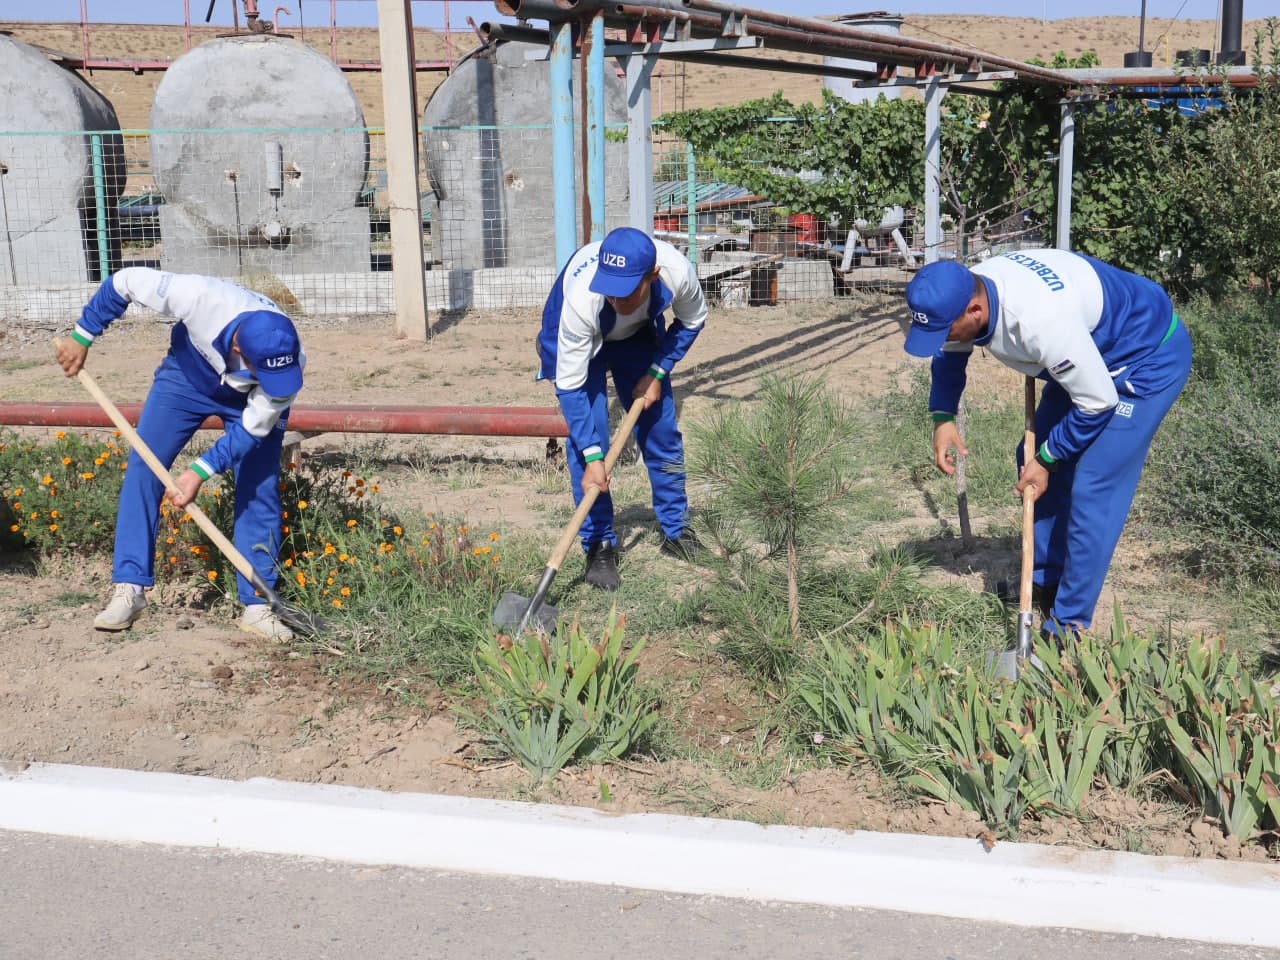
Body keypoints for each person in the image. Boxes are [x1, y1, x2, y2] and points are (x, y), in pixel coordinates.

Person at [902, 250, 1192, 643]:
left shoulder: (1040, 323)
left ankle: (1069, 622)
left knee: (1094, 482)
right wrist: (943, 417)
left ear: (974, 310)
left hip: (1143, 359)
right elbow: (950, 353)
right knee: (1030, 459)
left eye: (944, 329)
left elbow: (1098, 401)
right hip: (1088, 353)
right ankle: (1043, 579)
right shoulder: (964, 291)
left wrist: (1050, 458)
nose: (943, 338)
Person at [55, 267, 306, 639]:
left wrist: (198, 473)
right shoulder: (198, 296)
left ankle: (258, 605)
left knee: (259, 487)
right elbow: (123, 282)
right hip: (186, 378)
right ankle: (130, 588)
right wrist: (82, 335)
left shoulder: (287, 365)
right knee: (146, 466)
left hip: (249, 406)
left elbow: (254, 429)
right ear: (238, 349)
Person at [537, 226, 708, 591]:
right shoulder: (583, 300)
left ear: (653, 276)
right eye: (610, 289)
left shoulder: (677, 272)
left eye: (627, 291)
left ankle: (676, 529)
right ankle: (598, 544)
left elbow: (693, 319)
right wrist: (593, 455)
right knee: (590, 439)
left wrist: (658, 370)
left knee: (661, 428)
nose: (616, 299)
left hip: (637, 338)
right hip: (581, 339)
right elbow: (570, 388)